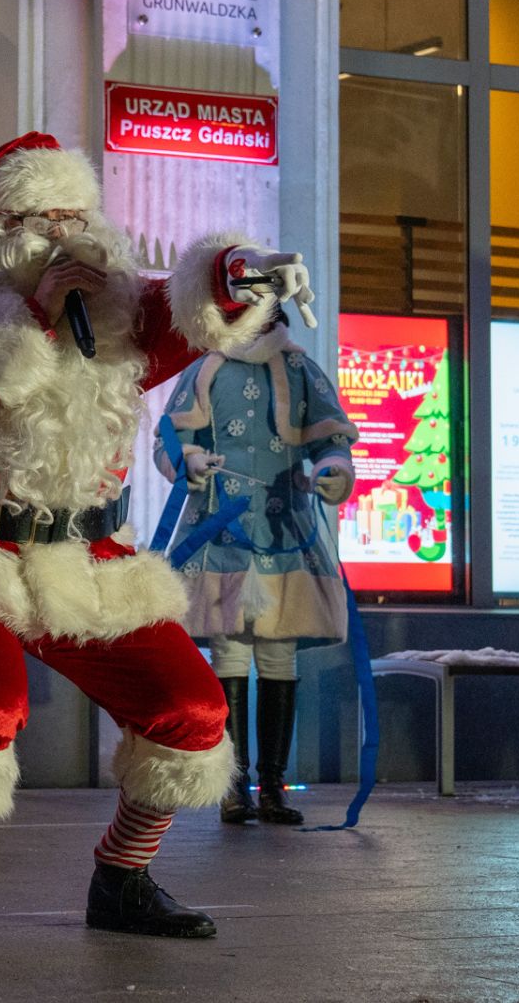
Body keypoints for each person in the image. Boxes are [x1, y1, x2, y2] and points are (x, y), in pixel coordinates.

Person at [0, 132, 303, 952]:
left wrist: (238, 275)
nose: (67, 234)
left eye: (78, 213)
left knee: (193, 710)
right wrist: (32, 316)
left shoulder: (114, 308)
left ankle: (123, 879)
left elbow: (189, 317)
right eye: (42, 217)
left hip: (86, 556)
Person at [154, 240, 356, 825]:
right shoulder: (204, 366)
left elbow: (331, 441)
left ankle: (271, 786)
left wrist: (331, 471)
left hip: (283, 524)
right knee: (230, 648)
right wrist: (188, 460)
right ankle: (234, 785)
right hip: (218, 527)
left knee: (279, 651)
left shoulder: (298, 367)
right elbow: (172, 435)